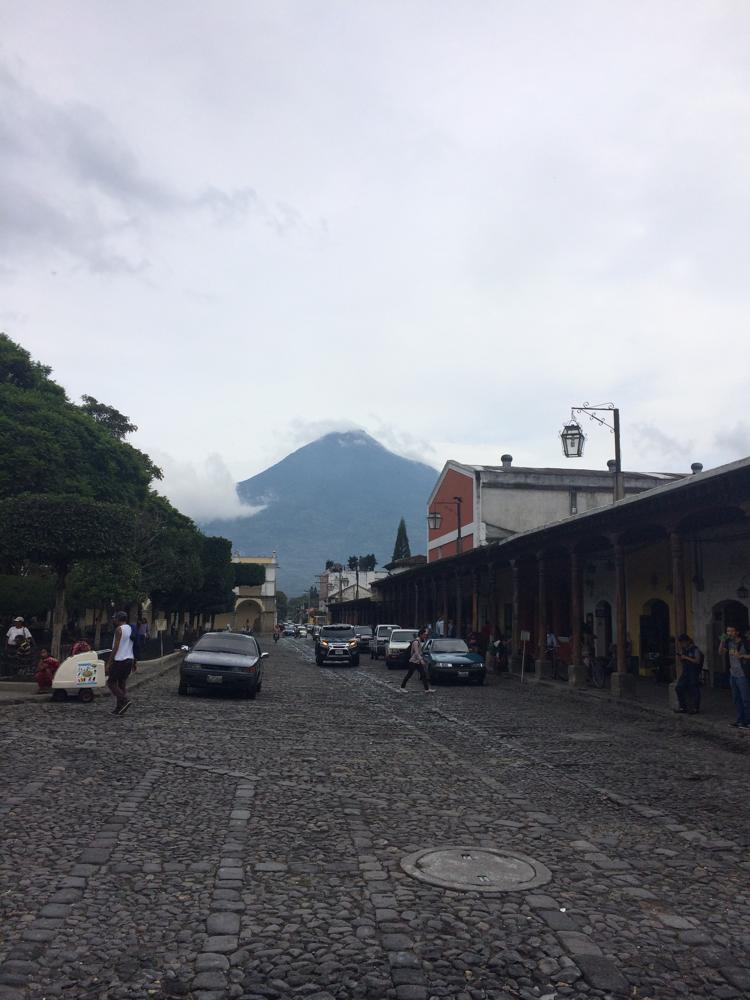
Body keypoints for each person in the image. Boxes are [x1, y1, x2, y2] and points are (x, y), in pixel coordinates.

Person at [719, 626, 750, 728]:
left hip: (743, 674)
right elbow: (720, 652)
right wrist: (722, 641)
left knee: (746, 698)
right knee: (736, 698)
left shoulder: (745, 642)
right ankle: (739, 720)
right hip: (733, 674)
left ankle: (748, 721)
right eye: (728, 631)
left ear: (737, 632)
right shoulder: (729, 643)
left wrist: (742, 656)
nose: (729, 633)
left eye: (731, 631)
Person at [106, 612, 136, 716]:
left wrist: (109, 662)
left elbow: (116, 647)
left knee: (111, 682)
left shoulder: (119, 630)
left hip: (119, 660)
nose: (113, 620)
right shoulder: (131, 628)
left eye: (114, 618)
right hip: (129, 659)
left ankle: (124, 700)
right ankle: (119, 708)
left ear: (118, 619)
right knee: (122, 683)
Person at [399, 628, 435, 694]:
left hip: (418, 661)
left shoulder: (420, 641)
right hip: (413, 661)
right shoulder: (416, 642)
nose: (425, 636)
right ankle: (402, 687)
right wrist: (421, 660)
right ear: (421, 634)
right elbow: (416, 653)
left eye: (426, 635)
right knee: (409, 674)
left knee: (423, 674)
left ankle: (426, 689)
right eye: (424, 634)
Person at [674, 633, 702, 714]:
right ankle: (683, 706)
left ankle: (695, 708)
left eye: (683, 642)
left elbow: (697, 661)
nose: (682, 644)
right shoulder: (684, 650)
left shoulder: (695, 649)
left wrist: (686, 657)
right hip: (686, 671)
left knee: (694, 689)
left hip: (693, 671)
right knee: (679, 687)